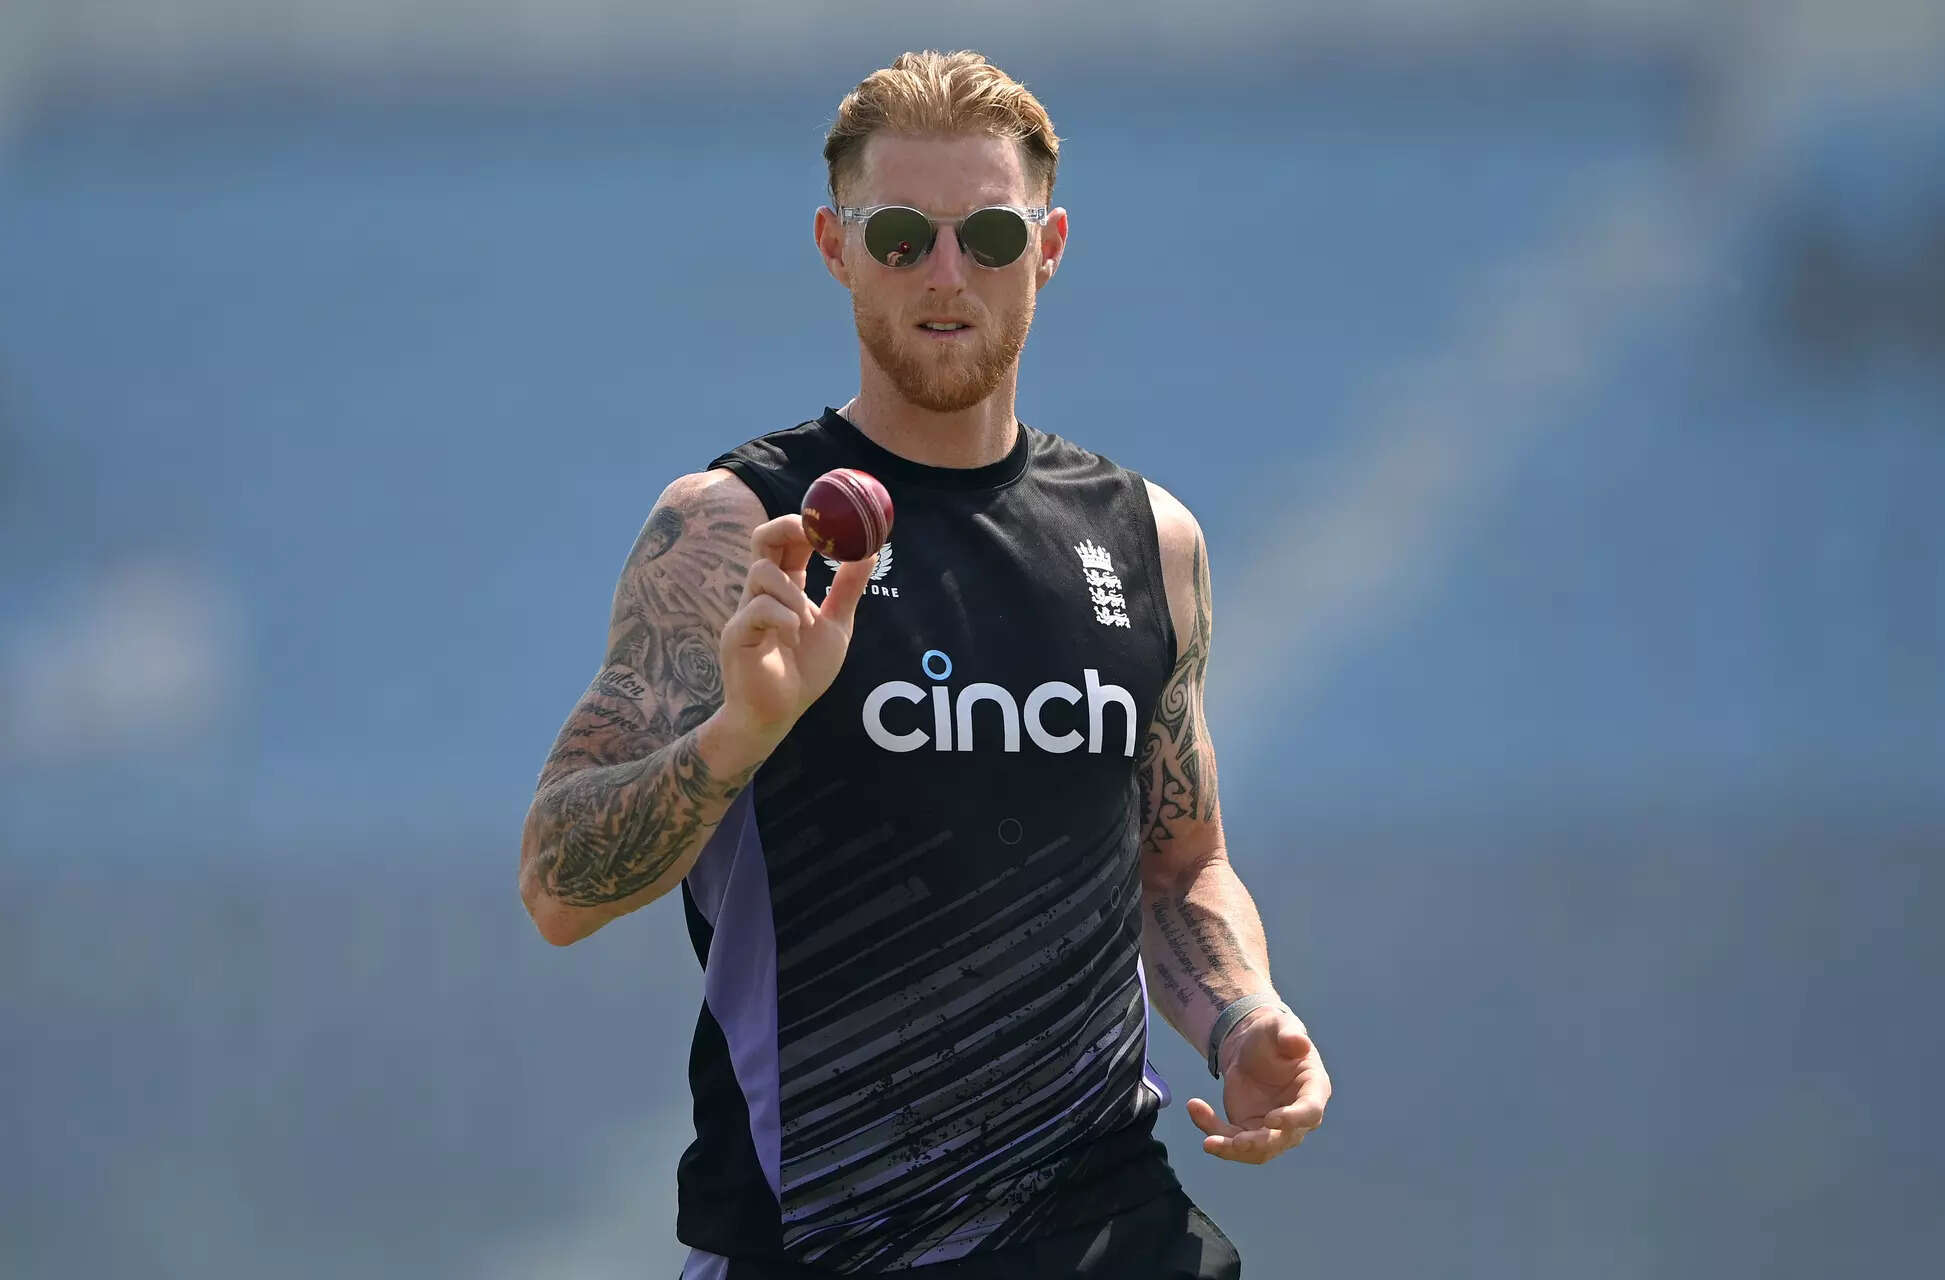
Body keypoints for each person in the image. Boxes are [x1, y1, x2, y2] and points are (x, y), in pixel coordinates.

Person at [518, 49, 1331, 1280]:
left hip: (1104, 1226)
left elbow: (1180, 862)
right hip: (828, 1239)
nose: (947, 275)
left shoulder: (1148, 540)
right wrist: (737, 735)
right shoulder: (739, 524)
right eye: (900, 236)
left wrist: (1241, 1014)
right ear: (835, 247)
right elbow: (556, 888)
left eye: (989, 236)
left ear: (1048, 246)